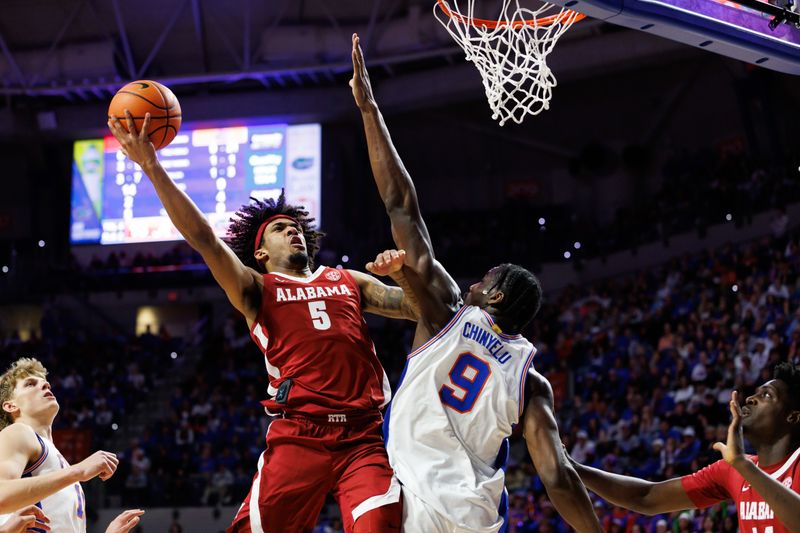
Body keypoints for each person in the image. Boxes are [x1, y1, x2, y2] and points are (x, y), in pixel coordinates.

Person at [108, 115, 419, 532]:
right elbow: (203, 238)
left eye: (296, 228)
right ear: (259, 253)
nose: (293, 232)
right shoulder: (256, 287)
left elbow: (424, 309)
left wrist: (404, 275)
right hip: (300, 435)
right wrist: (152, 167)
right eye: (280, 228)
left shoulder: (349, 280)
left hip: (363, 438)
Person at [351, 34, 601, 533]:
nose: (472, 282)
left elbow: (401, 204)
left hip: (417, 504)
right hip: (477, 518)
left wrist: (368, 108)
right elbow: (557, 476)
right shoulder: (532, 381)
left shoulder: (446, 312)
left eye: (484, 278)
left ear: (497, 295)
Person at [568, 363, 800, 532]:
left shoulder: (763, 465)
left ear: (792, 417)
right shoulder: (732, 470)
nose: (750, 398)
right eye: (755, 392)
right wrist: (573, 467)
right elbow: (647, 497)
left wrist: (742, 465)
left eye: (767, 395)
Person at [0, 357, 145, 532]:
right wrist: (77, 471)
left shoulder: (60, 464)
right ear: (10, 405)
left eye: (46, 384)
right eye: (30, 384)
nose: (45, 386)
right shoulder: (18, 432)